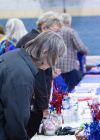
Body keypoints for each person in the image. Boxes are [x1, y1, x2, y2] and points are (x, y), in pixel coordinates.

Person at [0, 31, 66, 140]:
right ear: (45, 52)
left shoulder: (16, 56)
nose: (55, 62)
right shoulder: (22, 76)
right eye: (56, 57)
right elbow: (16, 127)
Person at [16, 11, 63, 139]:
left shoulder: (35, 38)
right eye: (56, 31)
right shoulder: (35, 41)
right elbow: (38, 76)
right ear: (44, 28)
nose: (57, 35)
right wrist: (44, 107)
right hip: (31, 103)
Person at [56, 13, 89, 92]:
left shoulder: (54, 31)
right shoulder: (71, 31)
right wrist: (86, 51)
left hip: (56, 69)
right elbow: (81, 47)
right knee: (72, 92)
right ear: (68, 22)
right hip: (69, 69)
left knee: (59, 93)